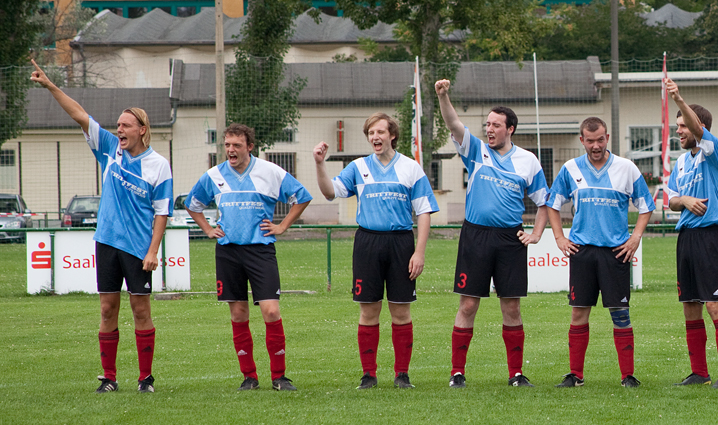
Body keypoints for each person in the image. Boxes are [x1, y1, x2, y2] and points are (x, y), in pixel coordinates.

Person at [30, 59, 173, 394]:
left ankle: (146, 379)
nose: (119, 129)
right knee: (108, 309)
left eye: (126, 125)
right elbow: (80, 115)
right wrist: (50, 86)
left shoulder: (158, 165)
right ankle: (109, 378)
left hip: (138, 248)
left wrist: (153, 251)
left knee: (140, 310)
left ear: (142, 129)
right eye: (117, 125)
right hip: (106, 242)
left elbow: (162, 212)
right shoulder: (109, 150)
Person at [435, 79, 549, 388]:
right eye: (487, 124)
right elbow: (453, 123)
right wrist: (443, 96)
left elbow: (544, 202)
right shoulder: (476, 150)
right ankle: (457, 373)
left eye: (496, 125)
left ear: (510, 129)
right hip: (476, 236)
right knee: (468, 305)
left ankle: (516, 374)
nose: (489, 129)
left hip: (510, 239)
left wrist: (536, 234)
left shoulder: (528, 161)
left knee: (511, 307)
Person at [313, 113, 438, 390]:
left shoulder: (410, 167)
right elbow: (330, 192)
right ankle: (368, 375)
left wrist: (419, 252)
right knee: (369, 311)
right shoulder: (358, 167)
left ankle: (402, 375)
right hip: (367, 243)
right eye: (371, 132)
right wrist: (320, 164)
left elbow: (424, 211)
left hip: (401, 243)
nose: (375, 137)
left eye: (380, 132)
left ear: (392, 135)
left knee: (401, 312)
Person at [187, 123, 312, 391]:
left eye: (237, 145)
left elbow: (302, 197)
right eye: (227, 145)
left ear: (250, 147)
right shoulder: (213, 175)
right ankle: (249, 377)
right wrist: (207, 229)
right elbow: (193, 204)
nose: (231, 150)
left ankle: (279, 377)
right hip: (228, 252)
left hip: (260, 251)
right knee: (238, 314)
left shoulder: (270, 171)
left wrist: (282, 226)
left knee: (271, 311)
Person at [546, 117, 653, 388]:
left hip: (615, 253)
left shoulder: (626, 168)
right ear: (582, 140)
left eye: (600, 140)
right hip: (582, 252)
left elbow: (645, 206)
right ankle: (576, 375)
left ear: (608, 138)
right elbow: (552, 203)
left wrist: (635, 238)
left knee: (620, 314)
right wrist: (559, 237)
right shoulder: (570, 168)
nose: (596, 146)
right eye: (590, 141)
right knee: (578, 313)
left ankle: (628, 376)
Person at [664, 78, 718, 387]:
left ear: (698, 128)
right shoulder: (681, 162)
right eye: (677, 126)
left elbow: (696, 127)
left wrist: (678, 99)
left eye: (683, 126)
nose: (678, 131)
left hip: (709, 237)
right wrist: (684, 200)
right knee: (690, 306)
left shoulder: (713, 151)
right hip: (686, 239)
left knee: (714, 305)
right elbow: (670, 199)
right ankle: (699, 373)